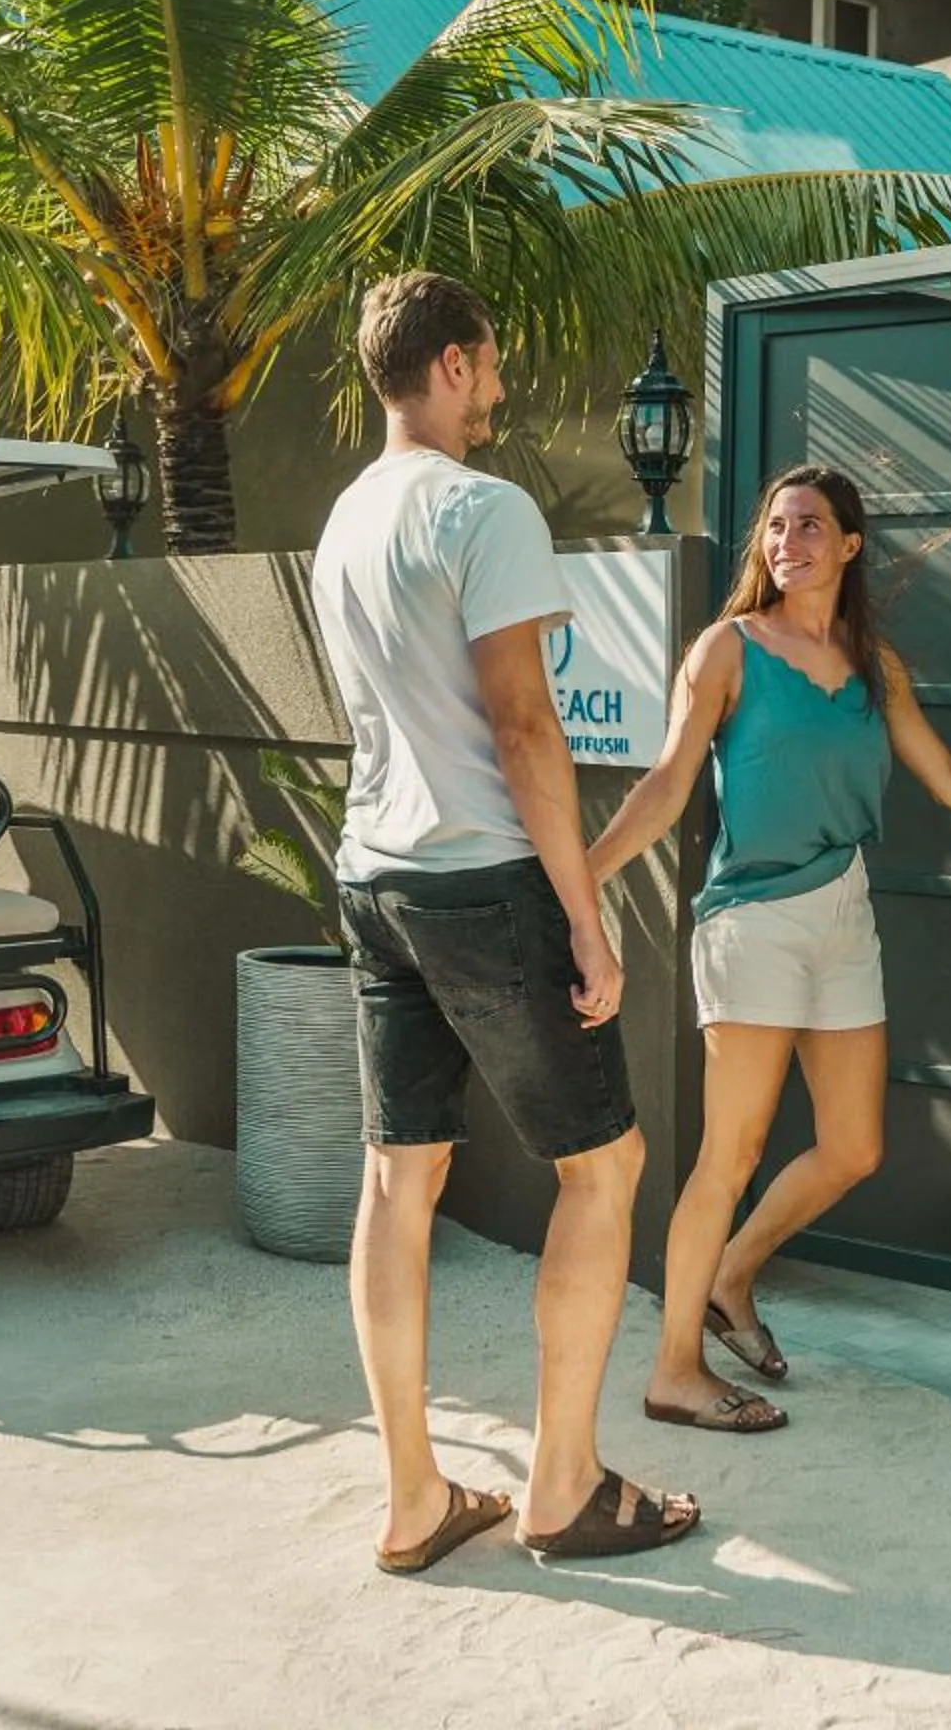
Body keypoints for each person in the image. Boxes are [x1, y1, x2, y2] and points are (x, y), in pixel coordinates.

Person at [312, 271, 698, 1571]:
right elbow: (526, 724)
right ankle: (563, 1485)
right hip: (481, 879)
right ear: (461, 363)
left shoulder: (345, 522)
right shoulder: (486, 508)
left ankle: (415, 1499)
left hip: (373, 875)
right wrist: (585, 916)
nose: (498, 394)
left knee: (398, 1177)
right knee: (604, 1167)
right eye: (493, 369)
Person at [587, 463, 951, 1432]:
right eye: (777, 526)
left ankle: (732, 1275)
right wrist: (581, 873)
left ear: (850, 544)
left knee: (853, 1146)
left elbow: (946, 777)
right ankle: (673, 1369)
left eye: (811, 525)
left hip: (841, 909)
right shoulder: (728, 649)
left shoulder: (874, 664)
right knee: (727, 1153)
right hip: (753, 920)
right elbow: (665, 783)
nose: (789, 541)